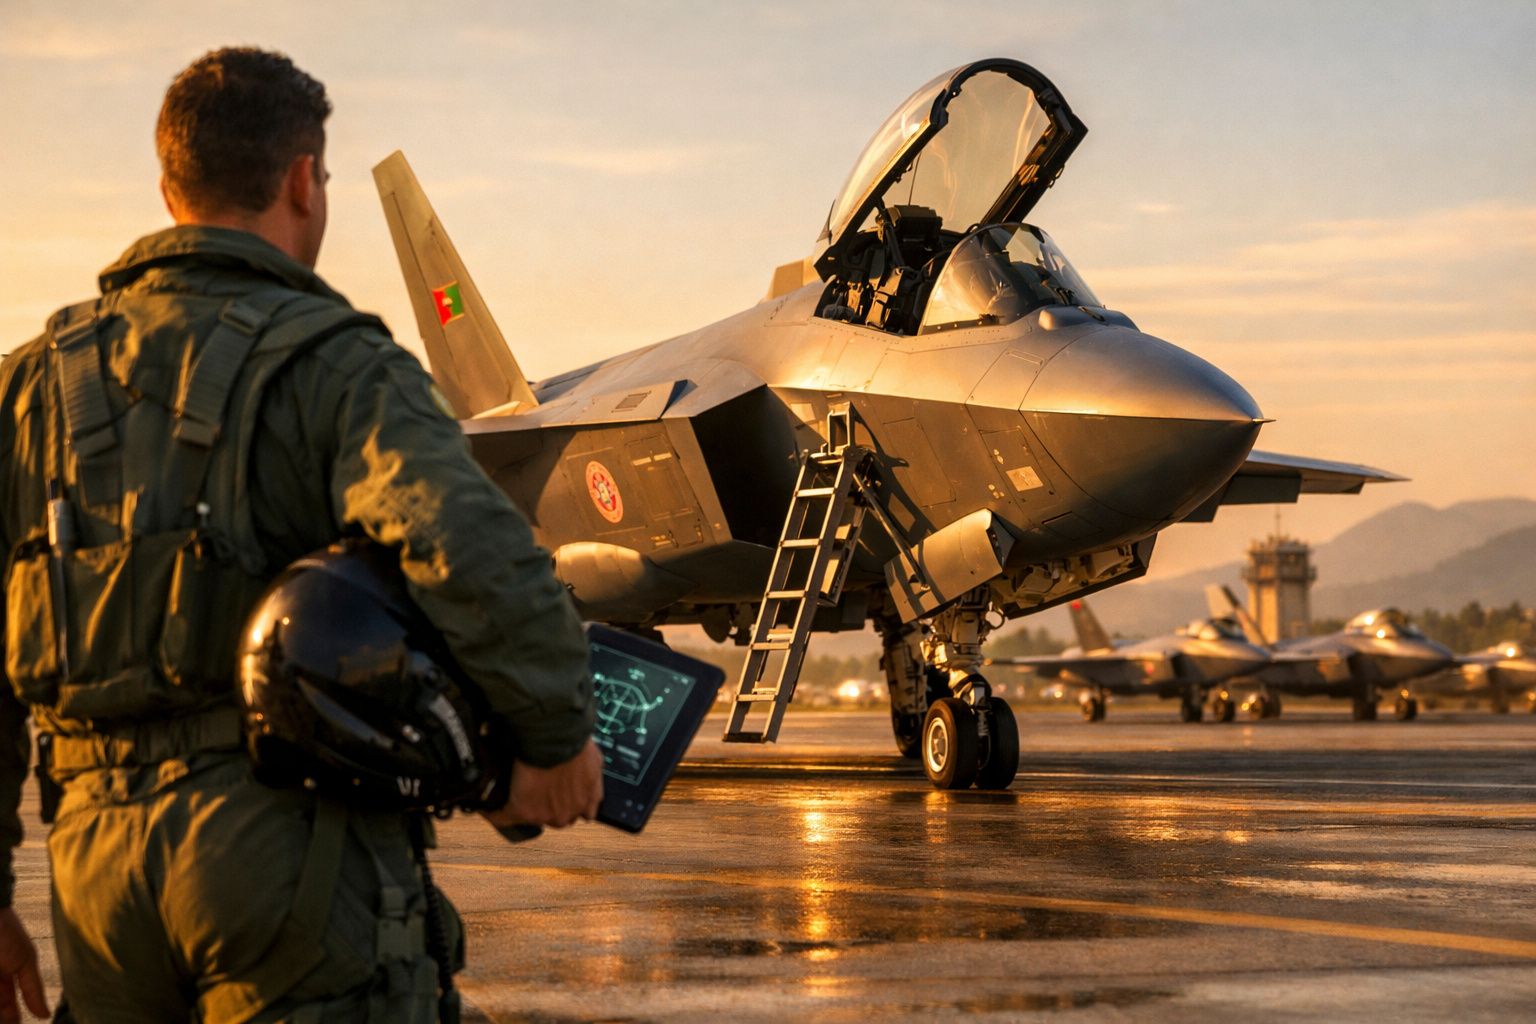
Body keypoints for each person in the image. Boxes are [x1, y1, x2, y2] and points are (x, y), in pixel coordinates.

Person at [0, 47, 601, 1022]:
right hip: (289, 857)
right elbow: (470, 546)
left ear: (167, 188)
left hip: (96, 880)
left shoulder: (29, 387)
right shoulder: (341, 365)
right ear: (302, 183)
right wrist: (557, 735)